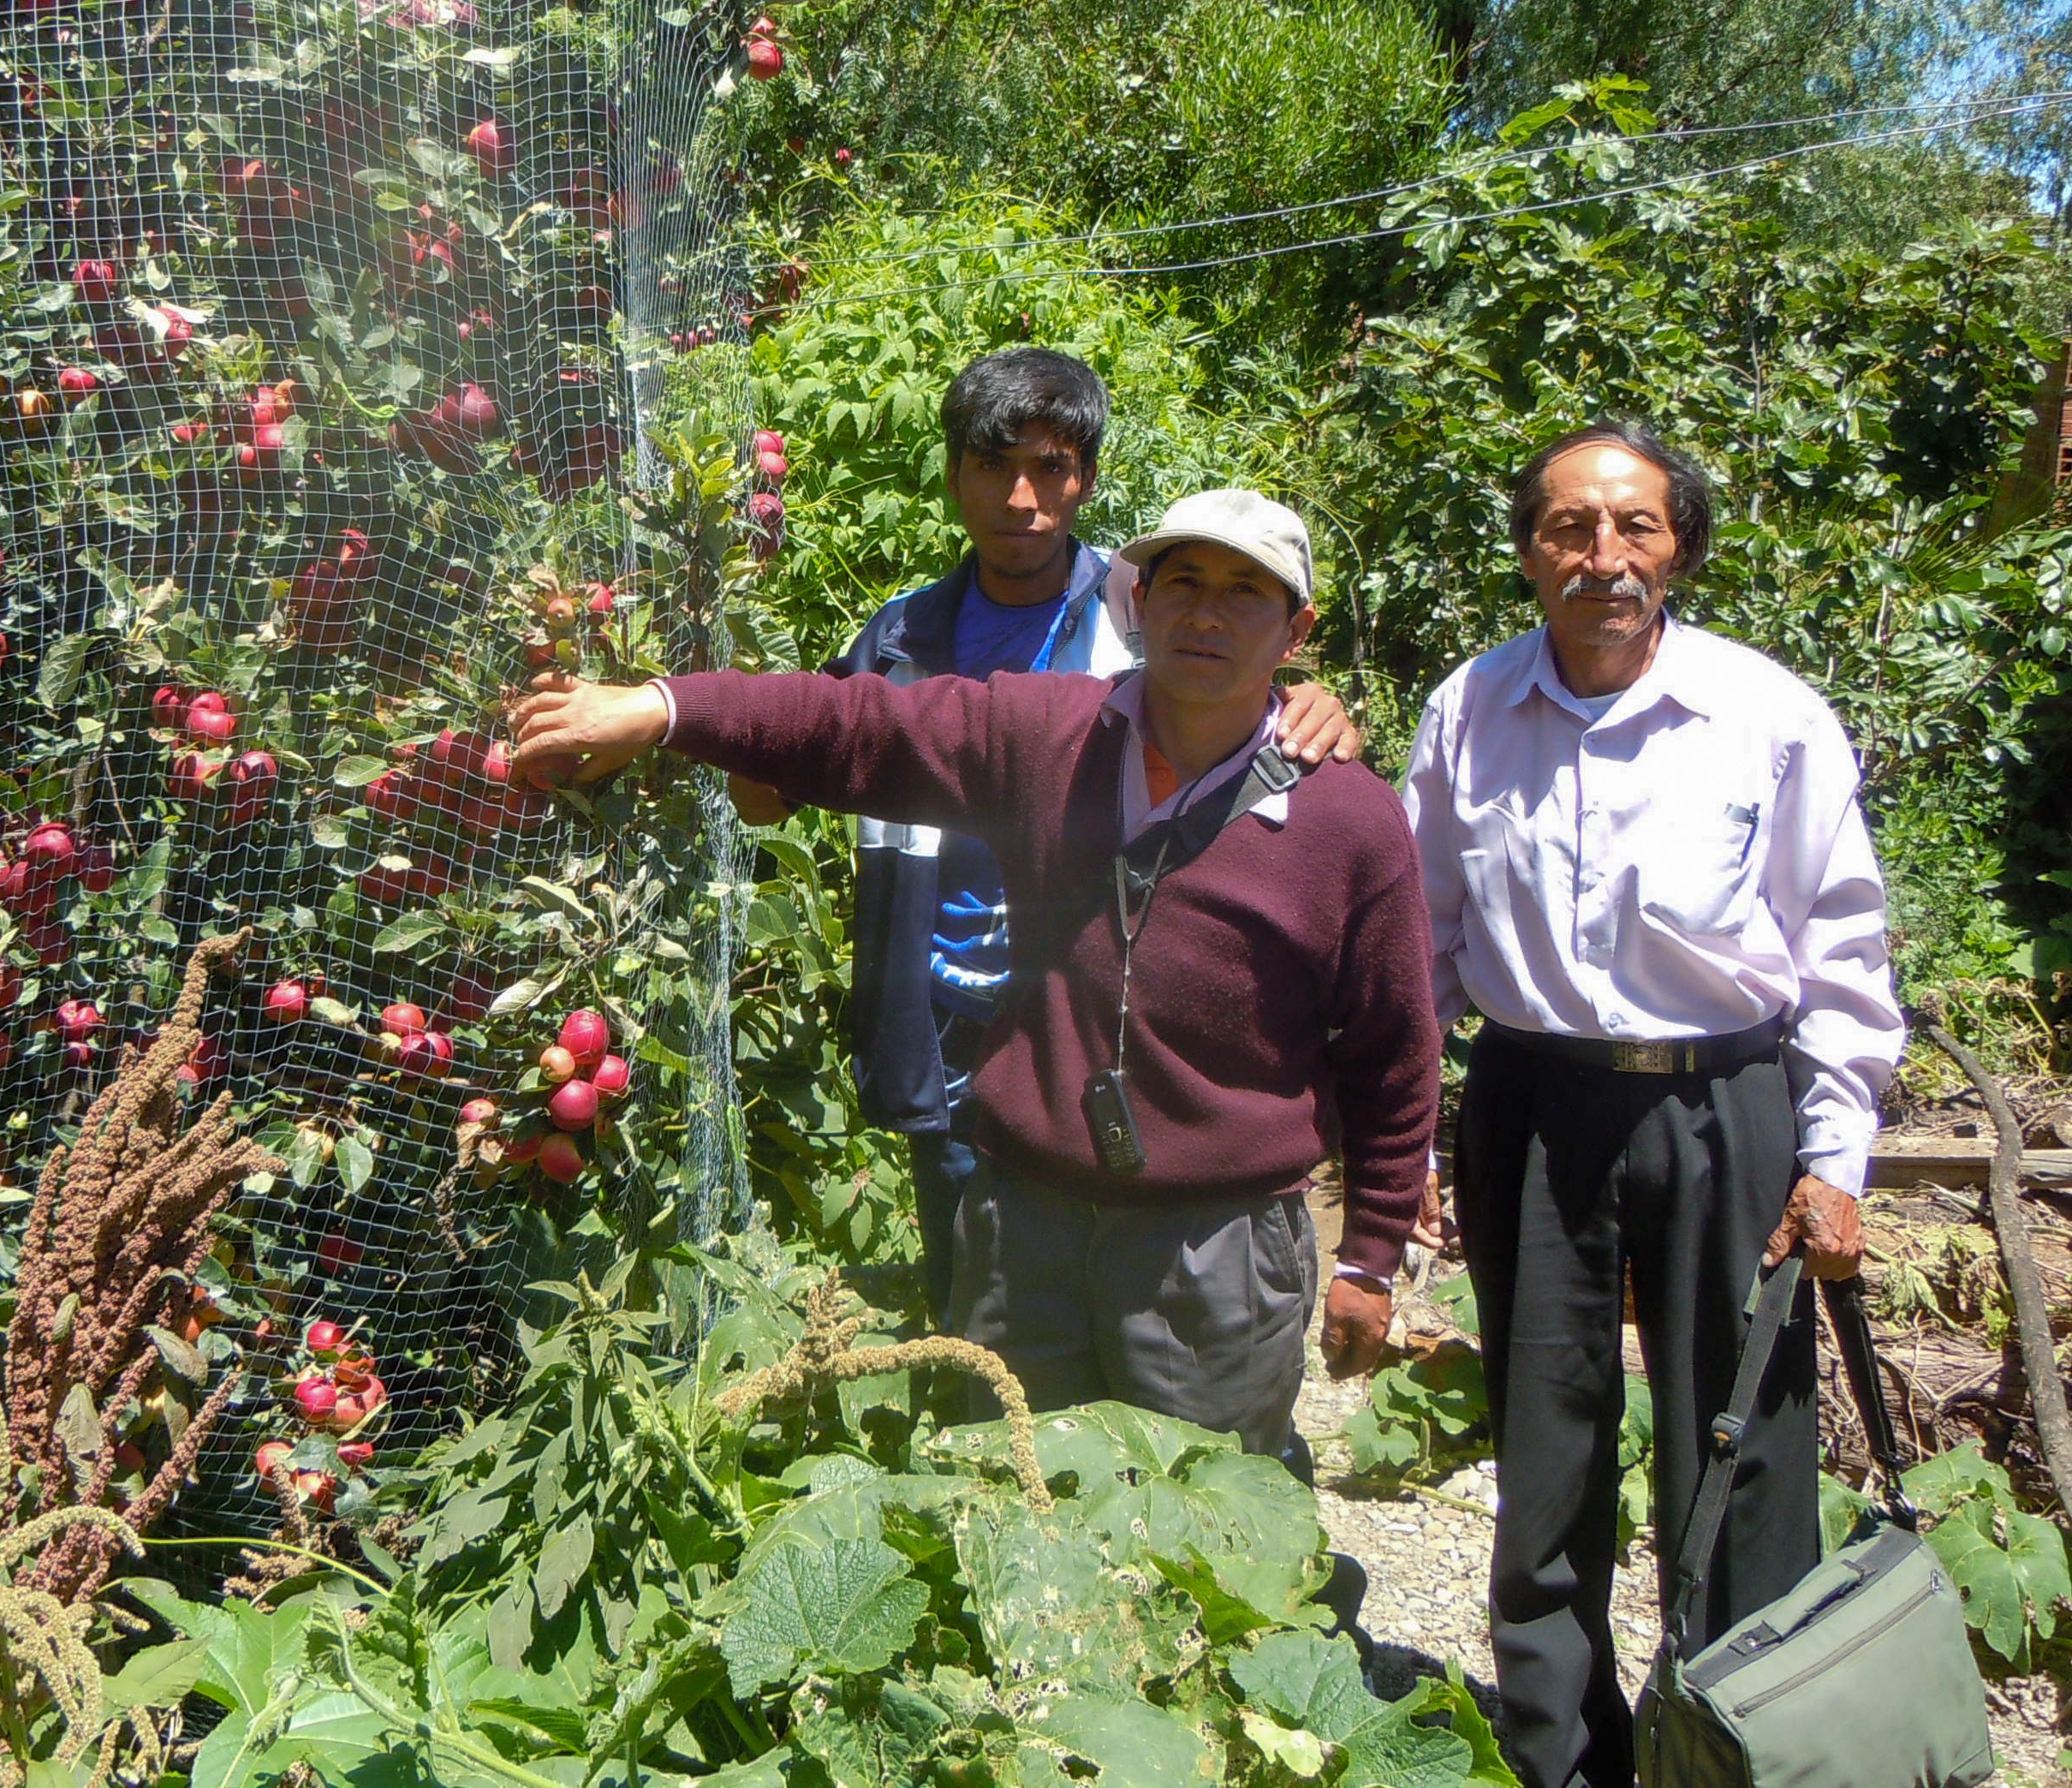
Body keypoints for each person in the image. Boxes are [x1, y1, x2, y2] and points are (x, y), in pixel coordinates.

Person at [512, 489, 1436, 1456]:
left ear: (1296, 629)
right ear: (1140, 603)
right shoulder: (1050, 736)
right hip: (1023, 1224)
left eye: (1247, 592)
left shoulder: (1349, 822)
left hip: (1215, 1245)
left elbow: (1392, 1051)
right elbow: (856, 725)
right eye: (1186, 583)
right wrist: (660, 707)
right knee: (1005, 1501)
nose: (1208, 613)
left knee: (1201, 1537)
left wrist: (1369, 1257)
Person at [1401, 420, 1900, 1788]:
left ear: (1679, 548)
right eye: (1570, 529)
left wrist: (1836, 1158)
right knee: (1544, 1444)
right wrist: (1400, 1135)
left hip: (1725, 1101)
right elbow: (1421, 939)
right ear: (1527, 554)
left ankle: (1740, 1753)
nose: (1603, 559)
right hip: (1533, 1103)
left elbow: (1843, 950)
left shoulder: (1765, 714)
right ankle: (1563, 1758)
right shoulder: (1469, 711)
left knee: (1741, 1452)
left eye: (1636, 528)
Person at [731, 347, 1361, 1324]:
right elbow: (779, 791)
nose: (1021, 497)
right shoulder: (895, 640)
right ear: (951, 475)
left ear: (1088, 480)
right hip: (946, 1008)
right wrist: (723, 728)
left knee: (1122, 1269)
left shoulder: (1148, 612)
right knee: (969, 1285)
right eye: (993, 465)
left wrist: (1314, 708)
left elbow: (1252, 704)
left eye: (1051, 468)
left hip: (1099, 1009)